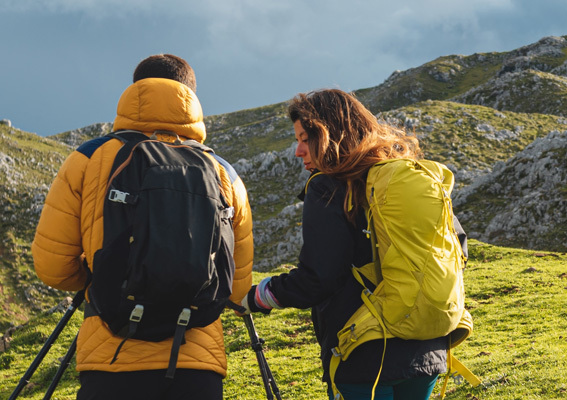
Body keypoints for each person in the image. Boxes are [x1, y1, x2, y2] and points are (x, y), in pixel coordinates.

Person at [31, 54, 254, 400]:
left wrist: (104, 276)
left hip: (113, 359)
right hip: (196, 365)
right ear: (192, 96)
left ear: (135, 91)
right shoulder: (224, 172)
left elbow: (52, 267)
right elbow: (236, 288)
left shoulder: (89, 158)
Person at [242, 88, 465, 400]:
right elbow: (458, 247)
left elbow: (319, 277)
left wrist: (258, 297)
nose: (298, 151)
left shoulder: (329, 187)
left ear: (329, 134)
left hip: (365, 352)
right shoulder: (406, 177)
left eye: (305, 138)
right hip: (428, 348)